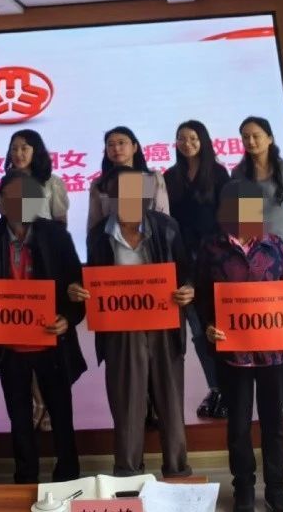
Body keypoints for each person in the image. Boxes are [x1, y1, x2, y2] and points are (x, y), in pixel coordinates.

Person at [196, 179, 283, 512]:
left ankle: (277, 492)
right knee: (239, 426)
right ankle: (243, 490)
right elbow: (202, 297)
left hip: (274, 353)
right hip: (234, 354)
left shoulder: (275, 245)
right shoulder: (211, 249)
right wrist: (209, 326)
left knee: (275, 425)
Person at [72, 167, 194, 478]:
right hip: (120, 330)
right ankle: (127, 475)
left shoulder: (167, 227)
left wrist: (188, 289)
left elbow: (186, 271)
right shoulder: (98, 235)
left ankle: (177, 473)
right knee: (127, 404)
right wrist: (79, 290)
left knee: (170, 403)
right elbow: (91, 280)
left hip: (164, 325)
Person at [0, 172, 86, 484]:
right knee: (19, 419)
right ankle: (26, 478)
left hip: (51, 341)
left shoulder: (55, 235)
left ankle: (68, 477)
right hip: (10, 346)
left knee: (61, 414)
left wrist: (68, 317)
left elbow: (76, 284)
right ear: (0, 202)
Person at [231, 115, 283, 421]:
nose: (251, 141)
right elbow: (245, 221)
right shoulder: (239, 174)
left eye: (256, 135)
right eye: (245, 137)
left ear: (269, 138)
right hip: (257, 260)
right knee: (268, 328)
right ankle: (276, 397)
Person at [164, 120, 230, 419]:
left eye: (192, 138)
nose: (186, 143)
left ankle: (230, 387)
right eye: (181, 138)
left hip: (215, 262)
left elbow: (230, 219)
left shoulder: (219, 173)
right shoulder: (169, 176)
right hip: (184, 264)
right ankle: (216, 387)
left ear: (203, 140)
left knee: (220, 326)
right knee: (198, 330)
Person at [85, 126, 170, 231]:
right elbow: (94, 221)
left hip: (149, 238)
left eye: (121, 143)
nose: (116, 148)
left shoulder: (152, 178)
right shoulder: (100, 183)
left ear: (134, 147)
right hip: (110, 238)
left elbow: (163, 217)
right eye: (110, 145)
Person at [4, 129, 68, 222]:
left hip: (45, 231)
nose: (18, 154)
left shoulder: (52, 182)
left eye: (24, 149)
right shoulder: (6, 182)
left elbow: (60, 220)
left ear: (36, 150)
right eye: (14, 149)